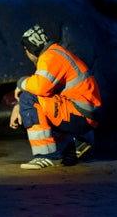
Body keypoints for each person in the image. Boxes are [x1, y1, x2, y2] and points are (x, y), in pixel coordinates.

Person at [9, 24, 102, 169]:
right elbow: (45, 89)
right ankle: (69, 146)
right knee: (31, 106)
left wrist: (21, 83)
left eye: (26, 50)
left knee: (28, 100)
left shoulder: (50, 57)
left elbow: (40, 88)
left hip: (81, 115)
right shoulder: (57, 53)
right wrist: (18, 104)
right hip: (85, 114)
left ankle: (47, 156)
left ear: (30, 49)